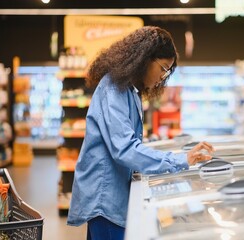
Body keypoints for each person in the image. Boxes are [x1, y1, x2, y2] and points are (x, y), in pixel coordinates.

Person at [67, 26, 215, 240]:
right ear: (145, 58)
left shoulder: (130, 90)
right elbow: (125, 149)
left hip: (114, 196)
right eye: (164, 68)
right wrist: (179, 159)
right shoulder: (113, 88)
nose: (163, 76)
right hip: (105, 199)